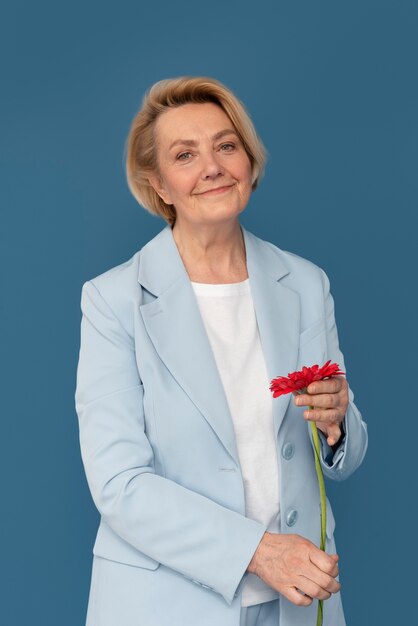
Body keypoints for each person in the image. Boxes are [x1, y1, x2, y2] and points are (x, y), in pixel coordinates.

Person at [75, 76, 368, 626]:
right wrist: (260, 552)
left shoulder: (304, 283)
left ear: (249, 163)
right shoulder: (113, 300)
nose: (212, 166)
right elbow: (120, 485)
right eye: (185, 155)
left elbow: (344, 457)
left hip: (299, 603)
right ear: (158, 184)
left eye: (226, 146)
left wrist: (338, 424)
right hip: (164, 606)